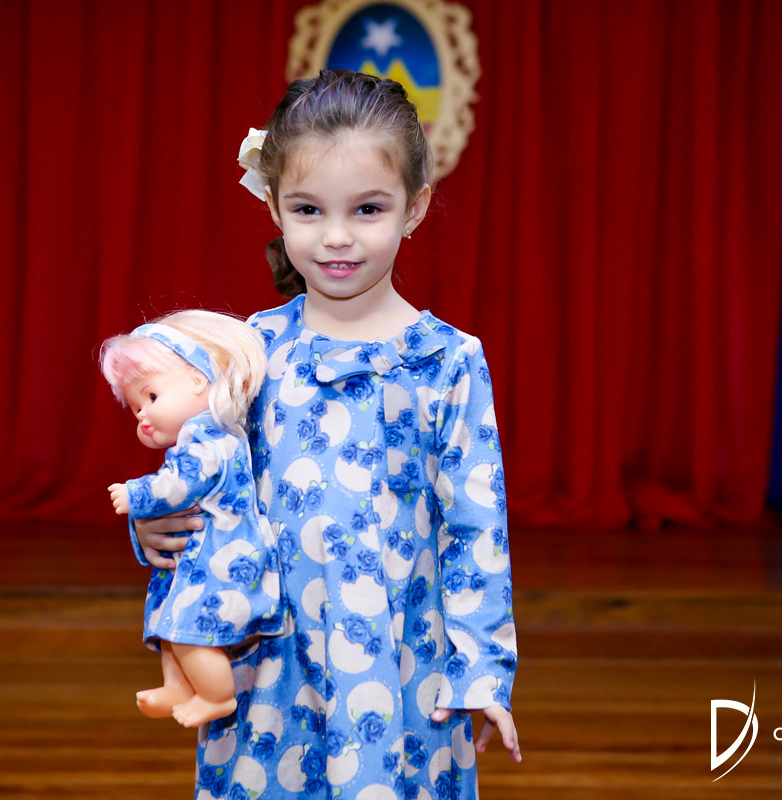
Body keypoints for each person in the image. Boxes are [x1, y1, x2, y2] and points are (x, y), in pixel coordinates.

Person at [134, 69, 519, 798]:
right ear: (274, 207)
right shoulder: (248, 352)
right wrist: (158, 524)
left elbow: (476, 530)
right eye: (309, 209)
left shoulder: (448, 361)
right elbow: (204, 475)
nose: (337, 236)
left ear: (414, 207)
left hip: (403, 669)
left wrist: (482, 671)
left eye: (367, 208)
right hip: (268, 663)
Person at [100, 310, 287, 728]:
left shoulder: (209, 439)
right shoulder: (198, 437)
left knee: (191, 630)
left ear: (198, 380)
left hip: (223, 559)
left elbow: (183, 483)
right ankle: (178, 686)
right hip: (204, 556)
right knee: (172, 622)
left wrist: (138, 494)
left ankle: (217, 696)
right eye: (135, 408)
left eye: (151, 397)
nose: (142, 415)